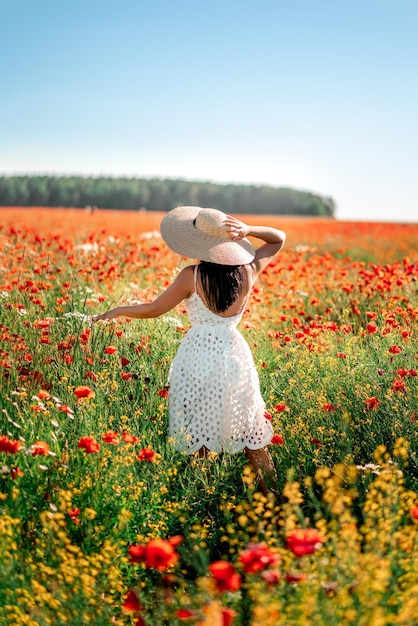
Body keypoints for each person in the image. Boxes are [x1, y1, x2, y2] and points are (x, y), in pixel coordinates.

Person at [92, 206, 286, 496]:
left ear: (198, 242)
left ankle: (202, 501)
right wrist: (248, 229)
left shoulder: (191, 276)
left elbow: (154, 309)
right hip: (234, 356)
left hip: (197, 358)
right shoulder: (249, 270)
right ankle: (274, 500)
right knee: (250, 432)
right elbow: (278, 238)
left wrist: (119, 310)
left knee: (200, 432)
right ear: (230, 242)